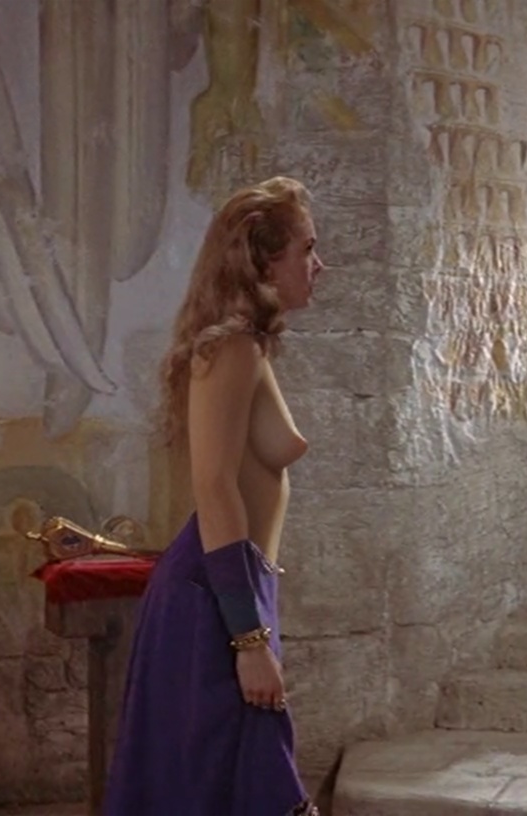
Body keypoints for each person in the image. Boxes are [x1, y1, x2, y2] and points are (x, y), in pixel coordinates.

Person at [103, 176, 325, 816]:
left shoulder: (246, 347)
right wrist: (249, 642)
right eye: (307, 249)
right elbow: (214, 486)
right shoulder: (231, 349)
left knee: (236, 784)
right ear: (264, 261)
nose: (319, 265)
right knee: (228, 785)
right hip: (214, 602)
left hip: (234, 590)